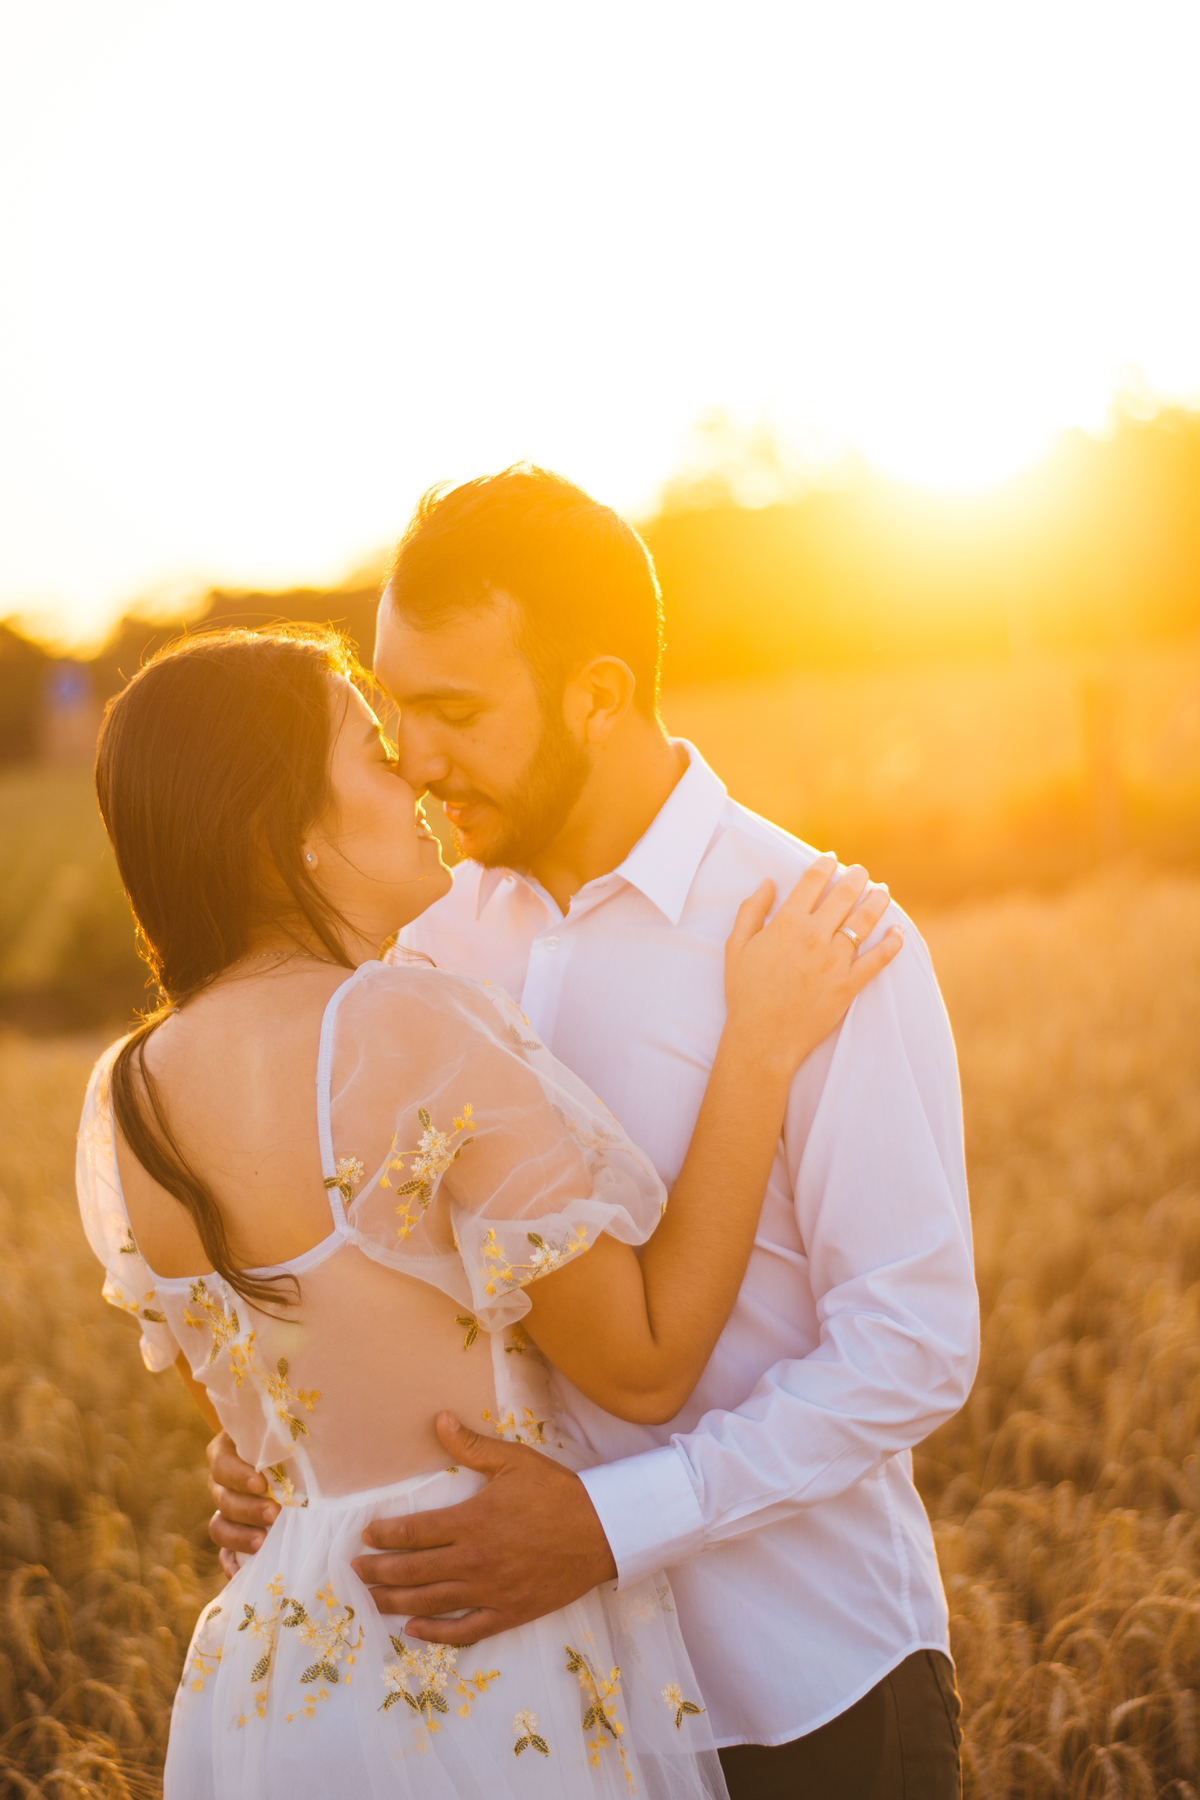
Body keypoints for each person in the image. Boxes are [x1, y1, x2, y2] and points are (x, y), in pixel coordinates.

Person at [210, 467, 980, 1798]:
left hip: (803, 1696)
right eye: (396, 711)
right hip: (537, 1717)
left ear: (601, 694)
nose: (418, 755)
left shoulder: (818, 933)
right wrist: (283, 1455)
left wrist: (612, 1528)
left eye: (453, 710)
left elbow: (912, 1346)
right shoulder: (424, 955)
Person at [78, 624, 900, 1799]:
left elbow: (274, 1425)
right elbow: (648, 1363)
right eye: (371, 751)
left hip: (271, 1681)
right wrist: (759, 1048)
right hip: (465, 1654)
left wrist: (255, 1469)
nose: (413, 772)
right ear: (290, 834)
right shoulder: (404, 1029)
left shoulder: (124, 1099)